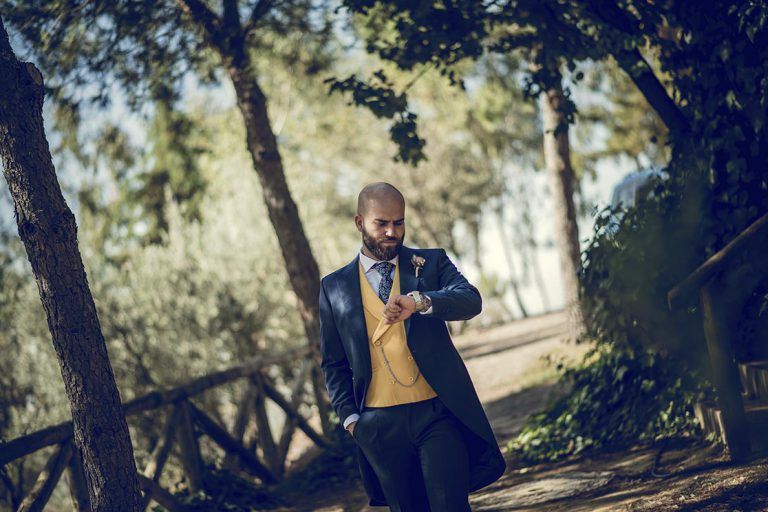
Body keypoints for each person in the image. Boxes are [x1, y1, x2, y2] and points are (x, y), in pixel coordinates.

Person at [318, 182, 506, 511]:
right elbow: (333, 363)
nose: (392, 231)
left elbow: (470, 300)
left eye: (399, 222)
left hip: (436, 414)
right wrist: (351, 421)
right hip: (378, 426)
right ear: (360, 223)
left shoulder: (430, 263)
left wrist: (420, 301)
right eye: (382, 223)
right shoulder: (333, 287)